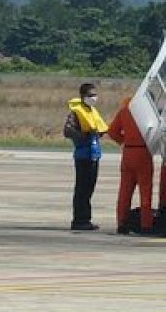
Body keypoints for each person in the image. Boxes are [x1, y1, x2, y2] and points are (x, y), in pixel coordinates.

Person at [63, 83, 108, 231]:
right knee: (82, 189)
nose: (94, 98)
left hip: (94, 154)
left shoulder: (92, 111)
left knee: (89, 188)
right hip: (83, 155)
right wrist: (83, 136)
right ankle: (79, 220)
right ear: (83, 97)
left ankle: (85, 219)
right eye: (90, 95)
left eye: (95, 95)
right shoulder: (76, 112)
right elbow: (67, 130)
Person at [108, 97, 154, 234]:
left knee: (124, 191)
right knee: (145, 192)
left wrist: (124, 141)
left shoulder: (124, 111)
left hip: (128, 152)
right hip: (143, 152)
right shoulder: (148, 113)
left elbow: (112, 131)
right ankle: (146, 225)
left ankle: (121, 224)